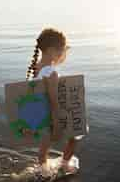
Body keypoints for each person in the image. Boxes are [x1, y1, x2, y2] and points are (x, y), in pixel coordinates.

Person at [26, 28, 81, 173]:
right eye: (61, 52)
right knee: (75, 135)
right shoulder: (51, 73)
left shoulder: (36, 67)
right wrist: (56, 123)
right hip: (50, 116)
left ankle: (42, 169)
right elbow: (53, 101)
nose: (62, 55)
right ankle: (64, 164)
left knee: (44, 146)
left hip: (38, 114)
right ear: (51, 51)